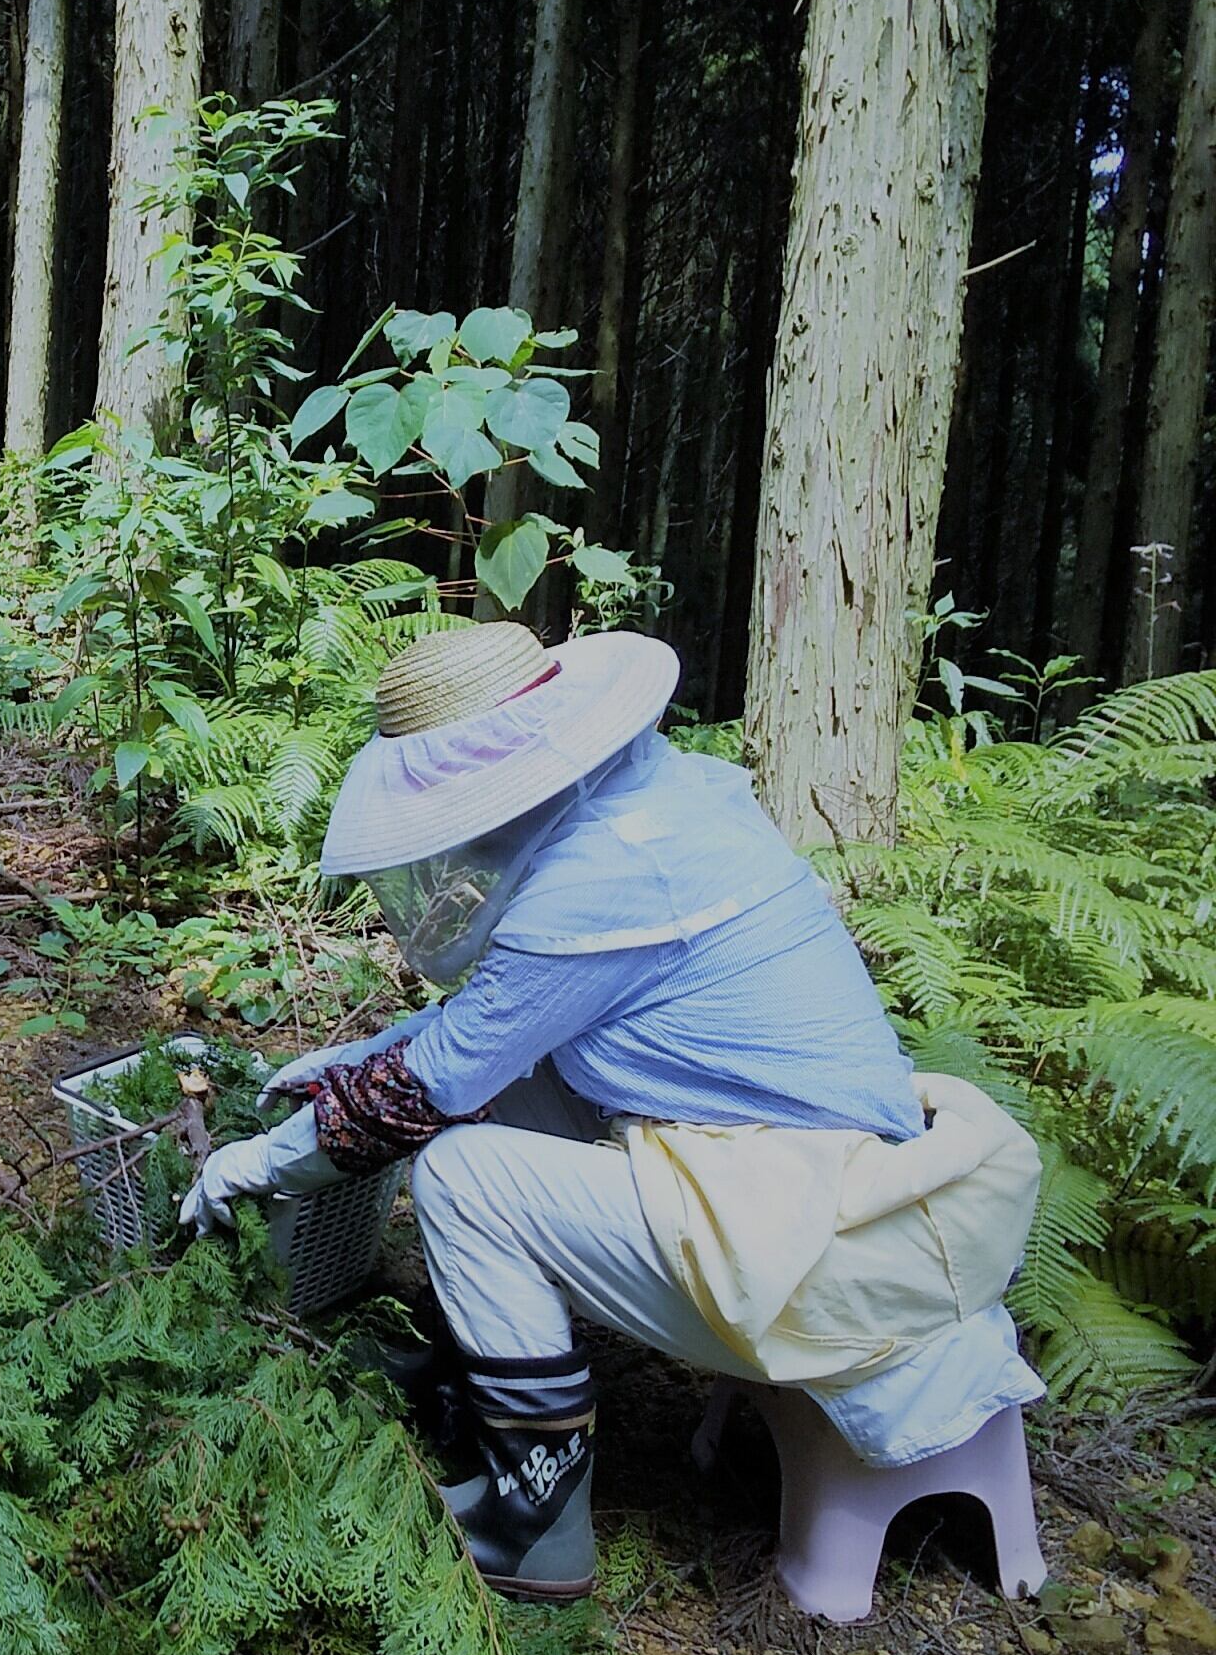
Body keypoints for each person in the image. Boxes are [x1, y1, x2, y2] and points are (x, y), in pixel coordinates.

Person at [178, 618, 1044, 1599]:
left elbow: (432, 1088)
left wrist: (257, 1163)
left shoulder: (613, 865)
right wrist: (349, 1061)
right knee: (518, 1086)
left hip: (831, 1241)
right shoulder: (653, 797)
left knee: (462, 1176)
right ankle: (482, 1381)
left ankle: (532, 1515)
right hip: (802, 1179)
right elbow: (502, 1031)